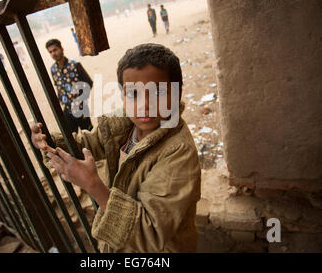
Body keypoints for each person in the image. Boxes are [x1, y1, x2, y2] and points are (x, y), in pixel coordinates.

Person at [31, 43, 201, 252]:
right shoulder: (126, 124)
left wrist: (93, 185)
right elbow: (88, 143)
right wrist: (49, 141)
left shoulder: (178, 152)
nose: (144, 104)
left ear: (177, 92)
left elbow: (151, 234)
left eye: (157, 91)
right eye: (133, 94)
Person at [45, 39, 93, 133]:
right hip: (67, 110)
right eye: (50, 52)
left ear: (62, 49)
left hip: (81, 109)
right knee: (71, 138)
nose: (53, 53)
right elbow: (58, 87)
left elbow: (89, 83)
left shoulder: (75, 65)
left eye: (55, 50)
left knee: (89, 134)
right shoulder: (53, 69)